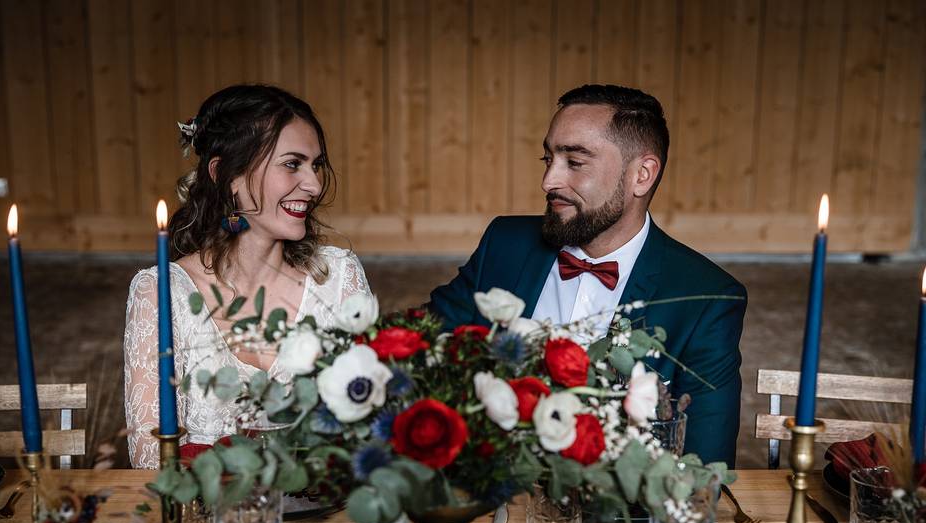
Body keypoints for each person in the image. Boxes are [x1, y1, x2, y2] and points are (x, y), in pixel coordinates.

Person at [429, 84, 746, 467]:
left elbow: (705, 465)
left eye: (574, 163)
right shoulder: (505, 244)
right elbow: (423, 341)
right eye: (547, 159)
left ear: (641, 175)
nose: (549, 181)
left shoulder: (706, 297)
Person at [124, 85, 371, 469]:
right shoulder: (159, 293)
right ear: (227, 175)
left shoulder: (338, 277)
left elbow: (369, 426)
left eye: (315, 164)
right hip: (206, 522)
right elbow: (150, 457)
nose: (314, 184)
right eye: (292, 164)